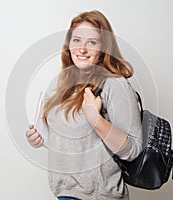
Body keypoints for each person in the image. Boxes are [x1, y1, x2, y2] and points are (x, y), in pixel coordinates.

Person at [26, 10, 143, 200]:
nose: (82, 49)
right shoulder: (61, 82)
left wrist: (95, 119)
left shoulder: (114, 84)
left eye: (92, 42)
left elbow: (133, 151)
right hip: (65, 194)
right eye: (77, 40)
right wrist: (39, 137)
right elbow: (68, 141)